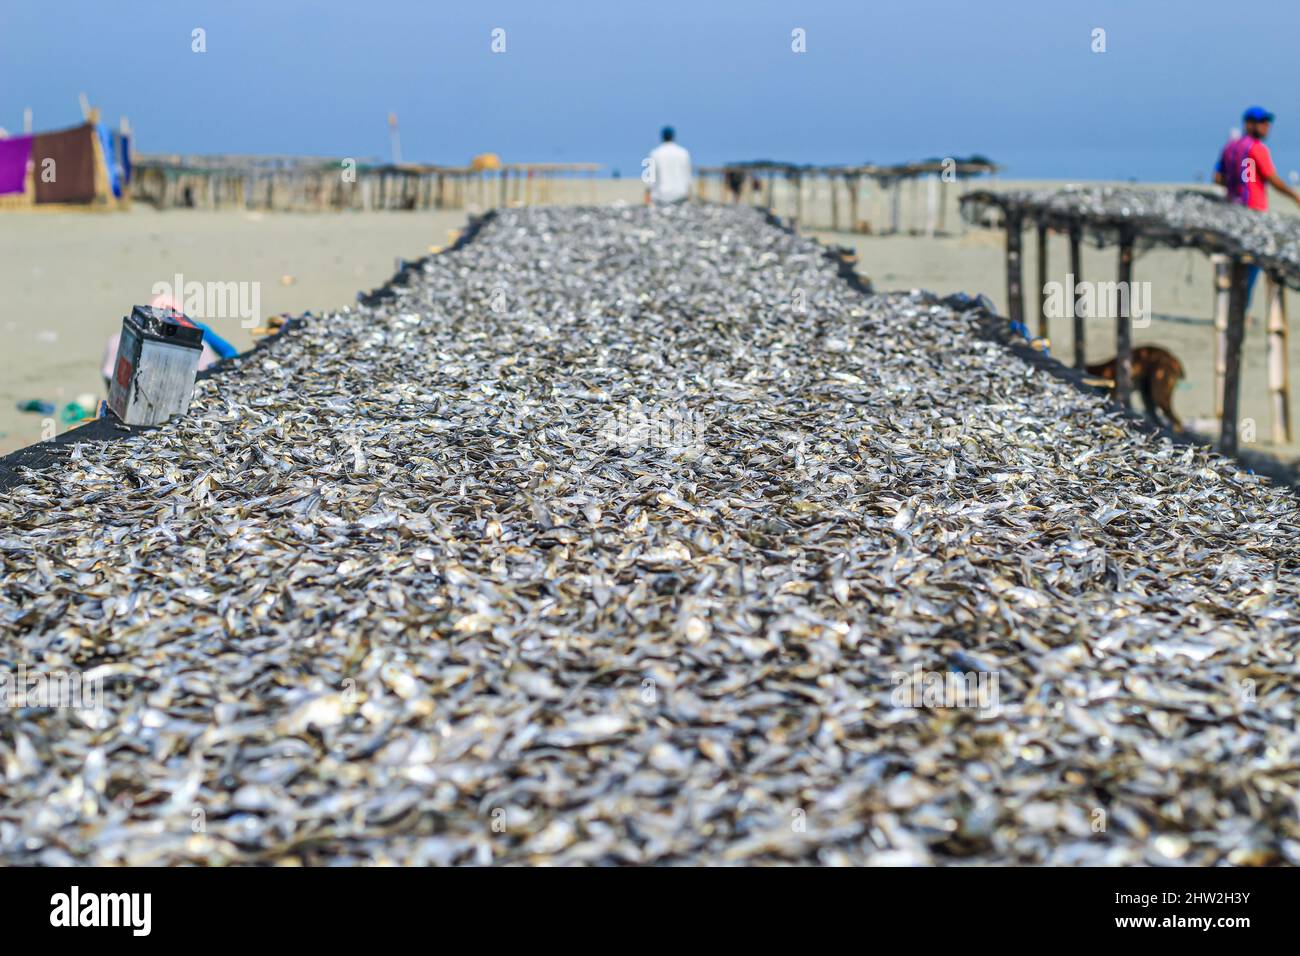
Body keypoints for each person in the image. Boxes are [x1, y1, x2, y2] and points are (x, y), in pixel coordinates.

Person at [1215, 107, 1300, 305]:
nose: (1267, 127)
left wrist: (1238, 184)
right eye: (1262, 123)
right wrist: (1294, 196)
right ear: (1249, 124)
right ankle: (1240, 310)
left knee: (1234, 262)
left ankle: (1230, 306)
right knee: (1251, 263)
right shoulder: (1256, 148)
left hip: (1232, 211)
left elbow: (1218, 178)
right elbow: (1271, 178)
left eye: (1267, 123)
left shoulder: (1230, 147)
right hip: (1253, 212)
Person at [646, 126, 692, 205]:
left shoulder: (655, 154)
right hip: (680, 196)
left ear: (662, 137)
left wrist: (647, 198)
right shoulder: (683, 153)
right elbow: (688, 178)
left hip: (660, 197)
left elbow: (650, 180)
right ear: (673, 137)